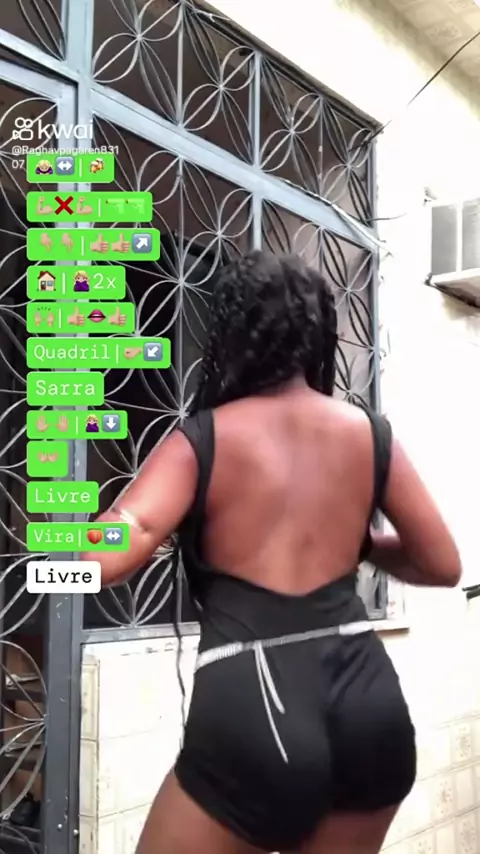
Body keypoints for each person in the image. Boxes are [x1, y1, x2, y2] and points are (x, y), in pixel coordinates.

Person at [82, 251, 461, 854]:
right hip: (370, 706)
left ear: (232, 331)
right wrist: (363, 546)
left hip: (254, 709)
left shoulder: (203, 439)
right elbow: (442, 565)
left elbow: (112, 552)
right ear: (317, 335)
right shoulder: (370, 434)